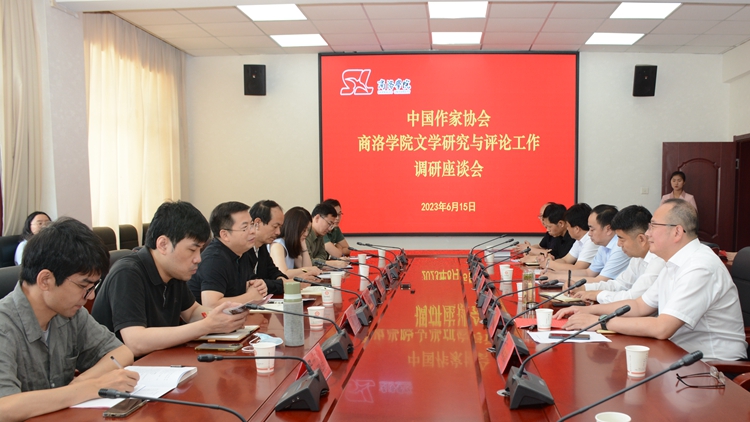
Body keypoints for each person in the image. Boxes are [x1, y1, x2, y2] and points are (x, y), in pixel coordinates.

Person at [556, 199, 747, 361]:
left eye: (653, 226)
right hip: (678, 355)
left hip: (714, 367)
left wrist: (600, 322)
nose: (647, 234)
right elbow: (640, 305)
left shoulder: (699, 266)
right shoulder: (672, 262)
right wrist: (586, 310)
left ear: (677, 232)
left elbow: (662, 327)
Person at [0, 218, 139, 420]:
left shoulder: (70, 313)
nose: (90, 296)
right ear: (46, 280)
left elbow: (121, 353)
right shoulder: (4, 325)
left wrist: (81, 383)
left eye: (93, 287)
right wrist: (89, 388)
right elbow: (4, 407)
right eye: (84, 286)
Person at [92, 201, 248, 357]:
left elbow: (192, 312)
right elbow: (136, 342)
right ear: (163, 244)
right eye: (192, 250)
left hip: (159, 360)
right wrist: (206, 326)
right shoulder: (127, 273)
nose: (198, 259)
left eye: (200, 250)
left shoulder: (174, 272)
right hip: (125, 367)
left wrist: (224, 316)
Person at [572, 205, 666, 304]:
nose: (618, 244)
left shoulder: (658, 260)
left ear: (641, 239)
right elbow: (620, 284)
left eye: (621, 238)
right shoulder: (637, 257)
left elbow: (633, 297)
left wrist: (598, 295)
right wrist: (584, 288)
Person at [187, 201, 267, 307]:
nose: (252, 231)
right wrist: (251, 296)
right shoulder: (214, 260)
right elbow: (211, 304)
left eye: (252, 225)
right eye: (245, 228)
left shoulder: (242, 252)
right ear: (225, 235)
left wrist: (257, 285)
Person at [548, 204, 630, 285]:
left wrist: (558, 277)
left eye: (592, 229)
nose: (589, 234)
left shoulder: (620, 247)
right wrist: (554, 274)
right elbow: (589, 273)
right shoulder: (603, 245)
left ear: (608, 229)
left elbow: (600, 280)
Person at [269, 206, 322, 279]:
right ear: (294, 228)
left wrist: (304, 247)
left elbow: (307, 269)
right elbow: (283, 273)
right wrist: (308, 270)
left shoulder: (289, 244)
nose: (306, 234)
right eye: (304, 230)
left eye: (308, 230)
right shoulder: (278, 245)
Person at [545, 203, 598, 271]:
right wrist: (549, 262)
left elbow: (578, 268)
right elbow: (565, 260)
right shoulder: (579, 240)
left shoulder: (591, 241)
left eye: (567, 226)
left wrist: (550, 264)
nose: (567, 229)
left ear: (577, 229)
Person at [305, 202, 347, 268]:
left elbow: (323, 255)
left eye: (332, 225)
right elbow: (307, 263)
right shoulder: (304, 234)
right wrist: (334, 264)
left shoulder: (320, 234)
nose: (330, 229)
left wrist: (317, 261)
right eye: (329, 224)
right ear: (317, 218)